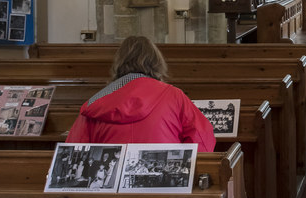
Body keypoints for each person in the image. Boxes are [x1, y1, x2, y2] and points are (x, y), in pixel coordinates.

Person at [65, 36, 216, 151]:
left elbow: (74, 150)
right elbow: (202, 136)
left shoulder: (95, 102)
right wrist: (185, 167)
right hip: (165, 186)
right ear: (156, 62)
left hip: (110, 189)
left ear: (118, 63)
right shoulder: (173, 96)